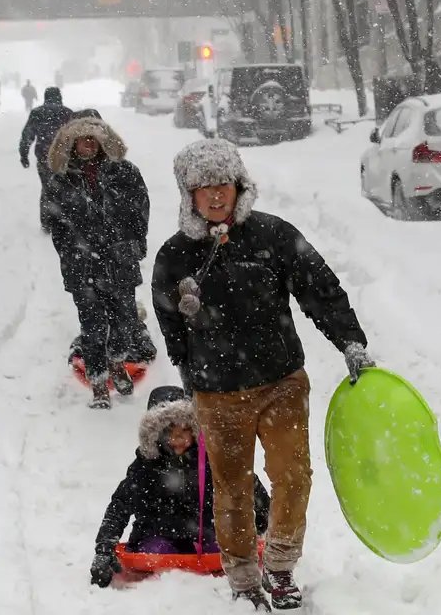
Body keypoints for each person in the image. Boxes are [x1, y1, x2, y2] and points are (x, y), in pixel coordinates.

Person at [151, 139, 375, 611]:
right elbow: (168, 317)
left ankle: (279, 565)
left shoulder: (273, 236)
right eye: (203, 188)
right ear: (189, 195)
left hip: (281, 382)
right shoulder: (175, 255)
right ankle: (242, 577)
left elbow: (322, 289)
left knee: (294, 477)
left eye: (223, 185)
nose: (216, 196)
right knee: (232, 488)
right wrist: (187, 370)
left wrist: (350, 342)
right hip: (217, 393)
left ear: (239, 186)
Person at [91, 385, 271, 588]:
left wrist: (266, 522)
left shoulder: (210, 459)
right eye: (171, 433)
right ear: (156, 435)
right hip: (156, 535)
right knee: (156, 553)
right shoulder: (145, 466)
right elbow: (120, 505)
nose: (180, 440)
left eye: (186, 431)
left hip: (207, 534)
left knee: (225, 549)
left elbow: (246, 483)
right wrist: (104, 549)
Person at [43, 116, 150, 409]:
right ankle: (99, 383)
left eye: (93, 139)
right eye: (82, 139)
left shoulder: (125, 172)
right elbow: (56, 224)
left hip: (120, 262)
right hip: (83, 267)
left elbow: (140, 209)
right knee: (91, 325)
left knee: (125, 320)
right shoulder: (61, 181)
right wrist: (71, 253)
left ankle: (117, 362)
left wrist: (135, 245)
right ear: (72, 144)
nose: (88, 145)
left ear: (103, 142)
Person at [20, 87, 73, 229]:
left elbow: (27, 136)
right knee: (66, 187)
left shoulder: (37, 113)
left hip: (45, 158)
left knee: (47, 189)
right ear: (59, 97)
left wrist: (24, 155)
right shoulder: (67, 113)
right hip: (64, 158)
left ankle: (47, 221)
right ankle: (65, 218)